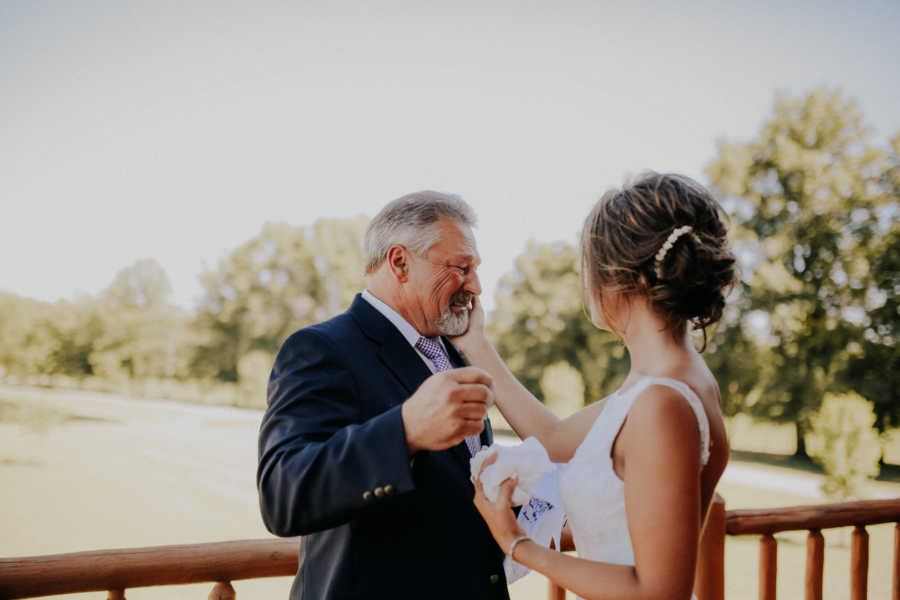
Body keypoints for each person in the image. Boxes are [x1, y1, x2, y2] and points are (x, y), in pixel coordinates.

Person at [454, 172, 737, 600]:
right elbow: (552, 438)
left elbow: (657, 592)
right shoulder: (669, 380)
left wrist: (518, 544)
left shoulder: (662, 401)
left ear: (618, 276)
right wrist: (475, 343)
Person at [257, 191, 512, 599]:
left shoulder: (458, 357)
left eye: (475, 269)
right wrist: (405, 430)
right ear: (399, 263)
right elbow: (283, 494)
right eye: (461, 267)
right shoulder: (322, 348)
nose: (476, 286)